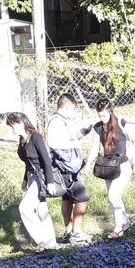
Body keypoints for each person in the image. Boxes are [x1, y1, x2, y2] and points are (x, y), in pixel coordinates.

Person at [7, 112, 58, 251]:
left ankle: (41, 239)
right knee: (41, 209)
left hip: (40, 176)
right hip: (31, 176)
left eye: (14, 125)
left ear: (23, 122)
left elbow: (46, 160)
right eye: (11, 126)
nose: (13, 129)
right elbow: (28, 162)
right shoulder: (22, 140)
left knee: (24, 208)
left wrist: (50, 181)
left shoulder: (36, 137)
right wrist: (25, 179)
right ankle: (51, 242)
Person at [86, 98, 135, 239]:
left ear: (110, 111)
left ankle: (118, 228)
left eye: (104, 115)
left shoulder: (121, 123)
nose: (102, 118)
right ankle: (125, 223)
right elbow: (95, 148)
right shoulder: (98, 128)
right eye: (99, 115)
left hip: (123, 165)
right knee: (114, 196)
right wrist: (89, 163)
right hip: (108, 166)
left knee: (113, 195)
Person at [47, 94, 92, 244]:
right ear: (66, 107)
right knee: (82, 198)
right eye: (73, 109)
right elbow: (54, 143)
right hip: (66, 167)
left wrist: (81, 134)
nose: (73, 113)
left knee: (67, 199)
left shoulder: (61, 121)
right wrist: (72, 147)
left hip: (66, 165)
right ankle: (76, 232)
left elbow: (68, 138)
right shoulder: (56, 122)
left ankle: (68, 231)